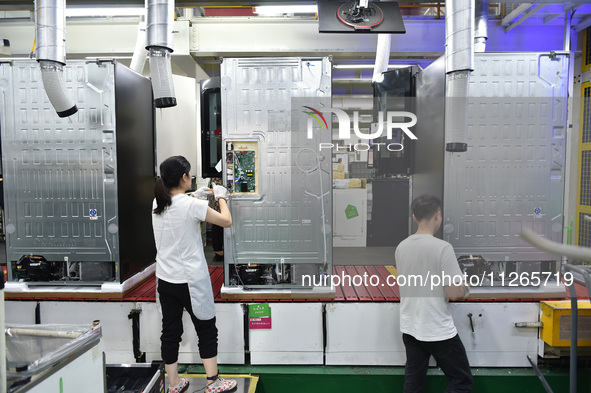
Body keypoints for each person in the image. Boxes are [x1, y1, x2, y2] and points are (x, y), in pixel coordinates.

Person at [152, 156, 237, 393]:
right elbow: (226, 221)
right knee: (206, 329)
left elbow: (178, 205)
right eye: (189, 174)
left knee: (170, 333)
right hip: (189, 282)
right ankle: (213, 382)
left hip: (165, 280)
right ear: (183, 178)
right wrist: (220, 196)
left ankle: (174, 384)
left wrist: (194, 195)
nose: (191, 177)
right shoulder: (191, 206)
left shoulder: (157, 202)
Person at [395, 195, 473, 393]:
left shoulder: (401, 247)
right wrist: (466, 286)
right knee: (461, 382)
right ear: (438, 216)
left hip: (411, 327)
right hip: (438, 329)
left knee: (414, 384)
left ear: (414, 217)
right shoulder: (443, 248)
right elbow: (454, 293)